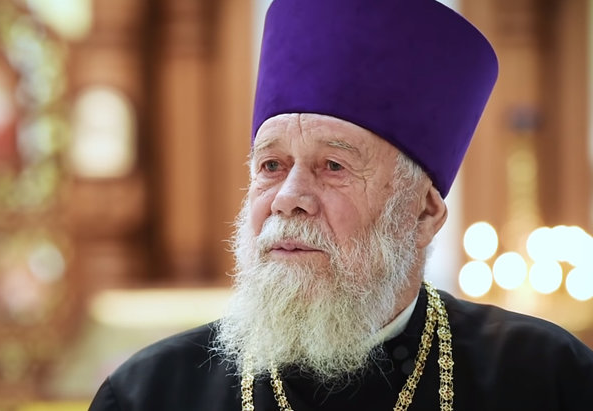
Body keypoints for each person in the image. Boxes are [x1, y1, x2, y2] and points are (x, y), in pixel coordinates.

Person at [89, 0, 593, 409]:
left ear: (422, 214)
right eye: (271, 166)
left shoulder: (547, 379)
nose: (288, 198)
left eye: (334, 167)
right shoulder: (149, 395)